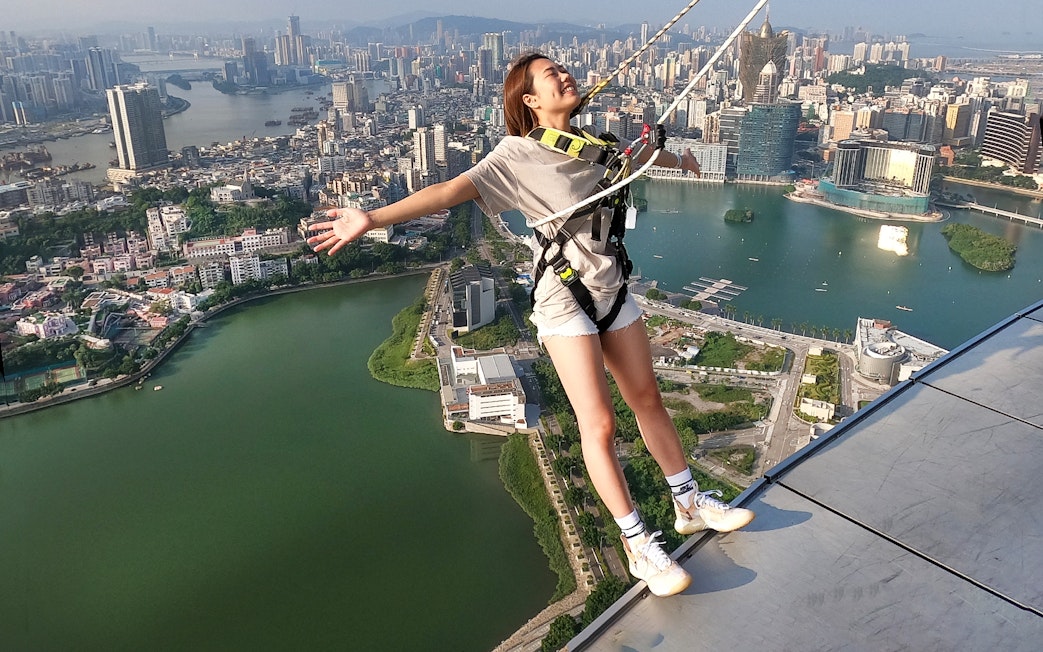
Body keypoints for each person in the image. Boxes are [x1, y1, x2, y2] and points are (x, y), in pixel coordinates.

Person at [309, 52, 754, 597]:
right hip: (563, 298)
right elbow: (450, 192)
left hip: (612, 288)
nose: (565, 75)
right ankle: (637, 545)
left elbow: (636, 166)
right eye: (551, 75)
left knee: (649, 401)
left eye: (565, 68)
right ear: (530, 101)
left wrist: (680, 161)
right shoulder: (515, 155)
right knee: (600, 425)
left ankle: (687, 502)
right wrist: (372, 218)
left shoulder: (599, 146)